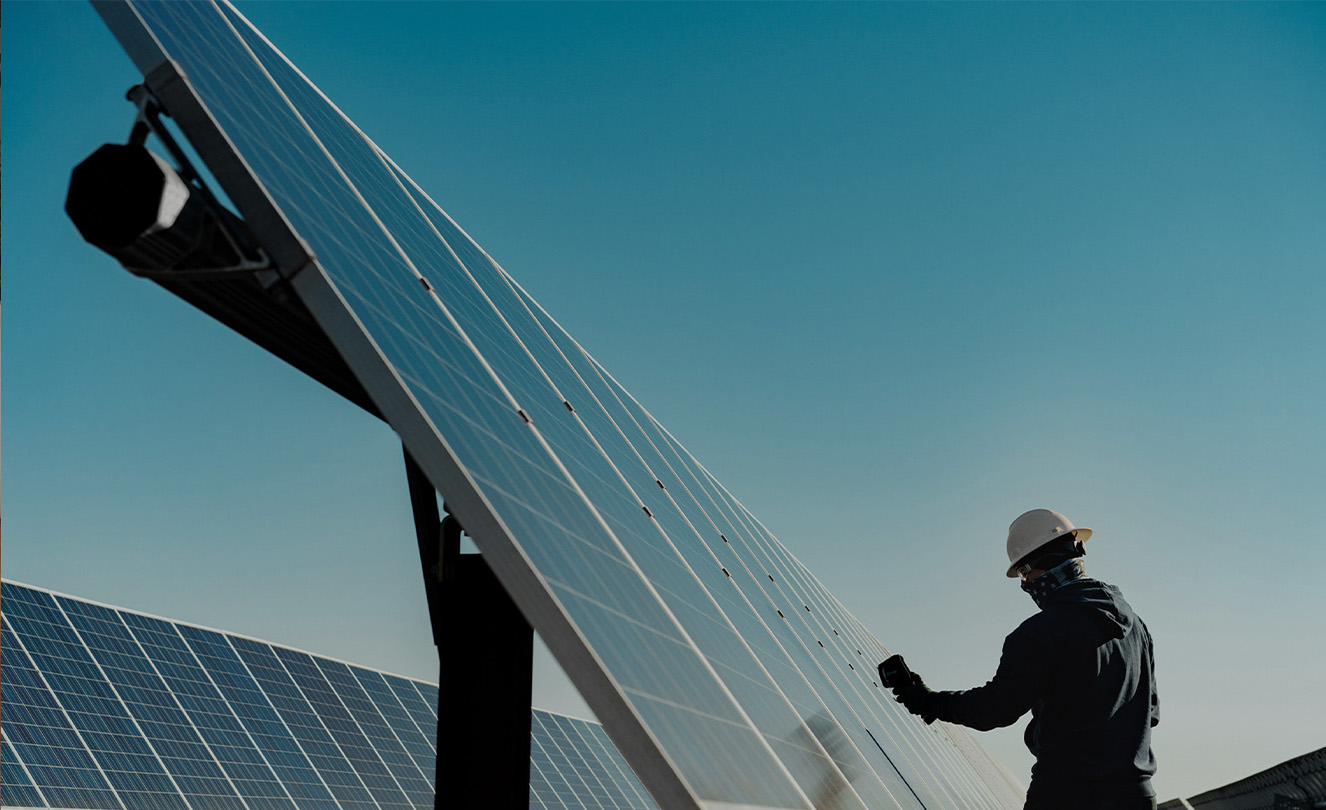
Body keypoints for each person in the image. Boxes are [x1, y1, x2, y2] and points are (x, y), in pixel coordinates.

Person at [891, 509, 1159, 810]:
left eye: (1024, 572)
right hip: (1137, 797)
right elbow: (1151, 713)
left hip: (1065, 795)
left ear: (1042, 565)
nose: (1024, 584)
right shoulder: (1137, 627)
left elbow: (995, 709)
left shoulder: (1040, 633)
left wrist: (927, 701)